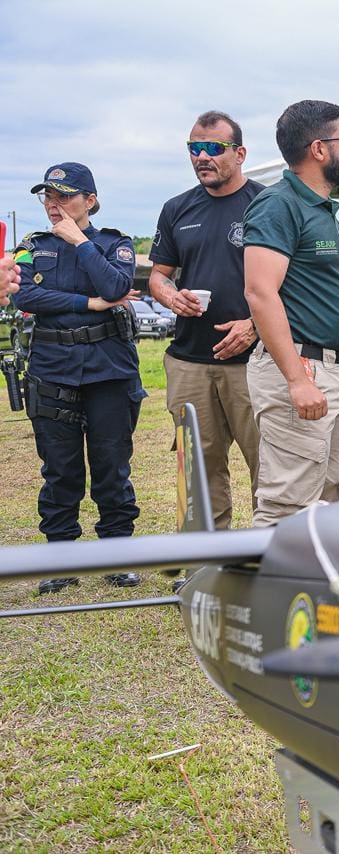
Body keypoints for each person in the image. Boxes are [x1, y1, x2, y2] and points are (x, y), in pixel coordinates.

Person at [13, 163, 144, 593]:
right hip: (53, 367)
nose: (53, 205)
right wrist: (88, 303)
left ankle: (117, 555)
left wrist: (80, 242)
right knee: (60, 469)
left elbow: (116, 287)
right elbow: (25, 295)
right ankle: (61, 558)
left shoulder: (114, 243)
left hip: (109, 369)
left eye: (64, 196)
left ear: (90, 200)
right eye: (47, 197)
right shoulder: (31, 246)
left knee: (111, 465)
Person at [242, 100, 339, 527]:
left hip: (326, 368)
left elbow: (309, 296)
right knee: (287, 507)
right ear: (319, 149)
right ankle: (264, 575)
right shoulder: (279, 205)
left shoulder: (319, 208)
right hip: (299, 371)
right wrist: (297, 379)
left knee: (328, 500)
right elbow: (260, 292)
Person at [149, 111, 263, 529]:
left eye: (214, 148)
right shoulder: (177, 209)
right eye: (194, 148)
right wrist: (171, 296)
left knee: (269, 467)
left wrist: (254, 325)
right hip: (190, 363)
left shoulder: (266, 204)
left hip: (255, 362)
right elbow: (158, 276)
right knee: (198, 469)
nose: (202, 157)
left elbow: (293, 282)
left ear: (240, 153)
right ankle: (207, 558)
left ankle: (271, 553)